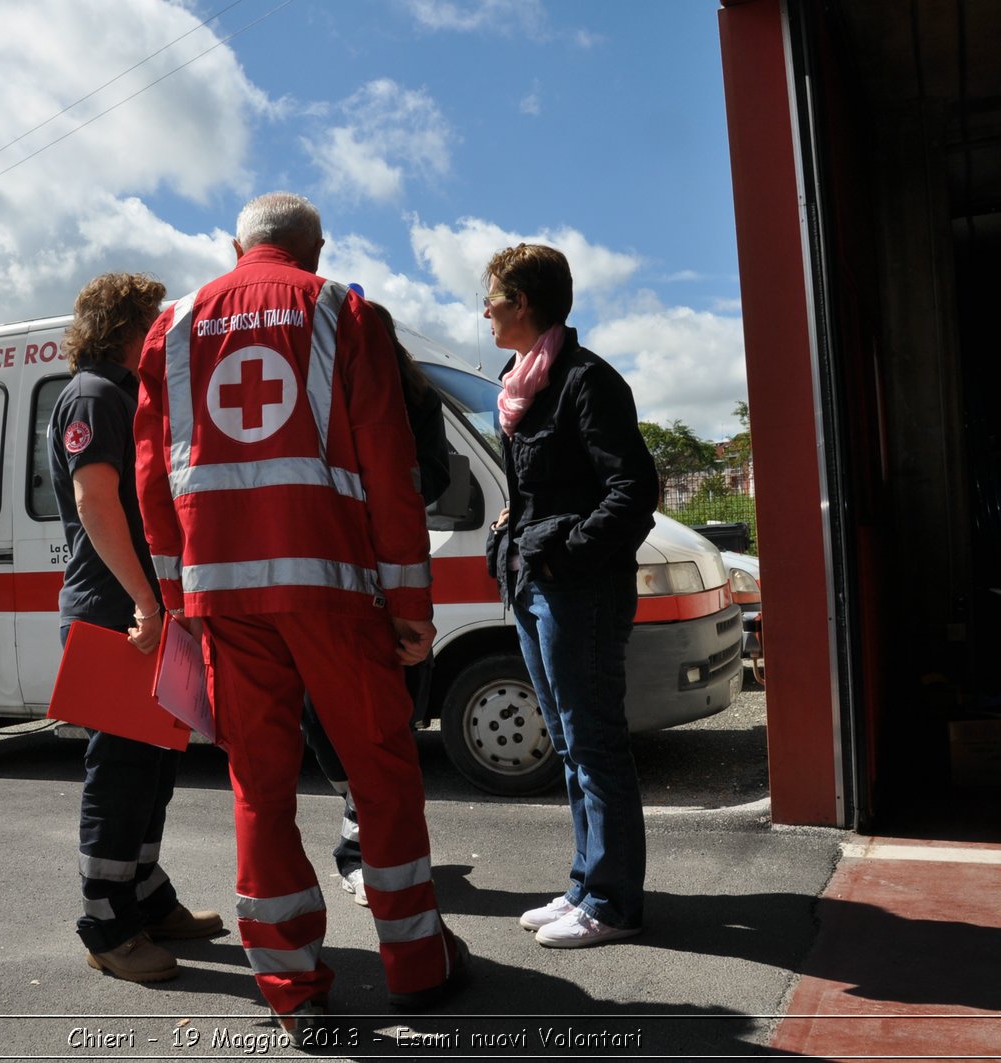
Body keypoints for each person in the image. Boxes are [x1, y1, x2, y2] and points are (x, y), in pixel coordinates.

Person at [133, 192, 469, 1031]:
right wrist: (410, 603)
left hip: (225, 598)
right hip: (334, 588)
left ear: (234, 244)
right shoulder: (340, 308)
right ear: (314, 249)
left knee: (261, 787)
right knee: (382, 772)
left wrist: (181, 602)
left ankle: (291, 991)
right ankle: (416, 965)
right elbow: (390, 467)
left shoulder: (171, 327)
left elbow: (151, 482)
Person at [481, 243, 659, 948]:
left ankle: (614, 902)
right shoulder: (520, 380)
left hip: (577, 593)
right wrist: (517, 526)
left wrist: (564, 553)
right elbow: (551, 488)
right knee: (568, 744)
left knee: (595, 743)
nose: (484, 310)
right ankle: (586, 882)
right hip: (534, 585)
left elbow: (633, 492)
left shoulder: (587, 381)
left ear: (523, 302)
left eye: (491, 297)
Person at [50, 271, 222, 985]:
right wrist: (145, 604)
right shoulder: (92, 394)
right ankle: (106, 923)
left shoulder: (121, 393)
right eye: (151, 318)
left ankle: (144, 894)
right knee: (120, 773)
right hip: (116, 614)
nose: (161, 330)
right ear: (124, 324)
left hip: (142, 611)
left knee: (153, 768)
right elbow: (96, 500)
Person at [300, 299, 451, 907]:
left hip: (388, 573)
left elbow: (435, 478)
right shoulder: (320, 392)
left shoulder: (417, 400)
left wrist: (386, 486)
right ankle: (358, 821)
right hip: (332, 574)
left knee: (389, 719)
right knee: (325, 718)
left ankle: (366, 844)